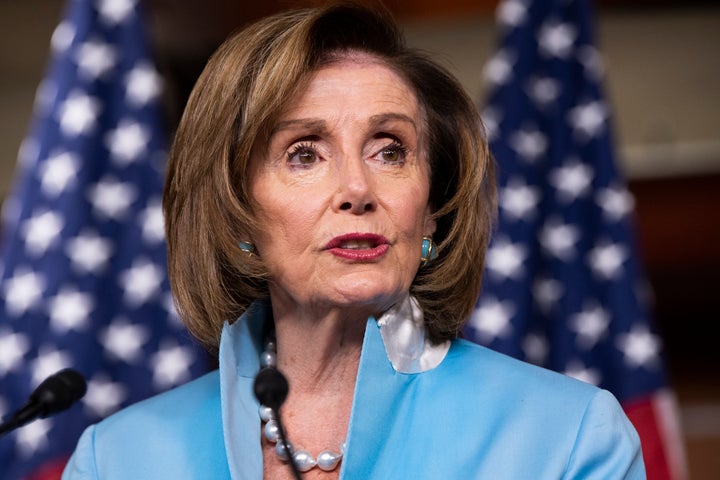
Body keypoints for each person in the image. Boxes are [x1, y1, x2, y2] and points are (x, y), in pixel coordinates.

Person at [62, 2, 646, 479]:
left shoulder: (567, 437)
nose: (357, 189)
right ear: (236, 214)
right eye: (305, 154)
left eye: (390, 150)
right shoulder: (118, 458)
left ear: (431, 214)